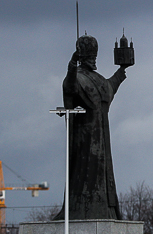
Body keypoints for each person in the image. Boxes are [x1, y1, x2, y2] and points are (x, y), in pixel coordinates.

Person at [54, 35, 129, 220]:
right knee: (85, 174)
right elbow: (69, 86)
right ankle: (80, 210)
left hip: (102, 139)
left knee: (102, 178)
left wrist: (122, 69)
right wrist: (72, 64)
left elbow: (110, 87)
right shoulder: (78, 77)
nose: (93, 60)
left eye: (94, 56)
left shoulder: (98, 79)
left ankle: (104, 210)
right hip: (84, 140)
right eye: (90, 56)